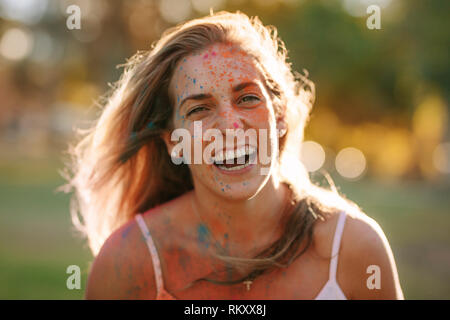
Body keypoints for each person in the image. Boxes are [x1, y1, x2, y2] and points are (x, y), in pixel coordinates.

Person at [65, 11, 404, 299]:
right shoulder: (129, 260)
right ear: (173, 142)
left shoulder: (355, 248)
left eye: (247, 99)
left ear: (280, 114)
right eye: (199, 109)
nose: (229, 126)